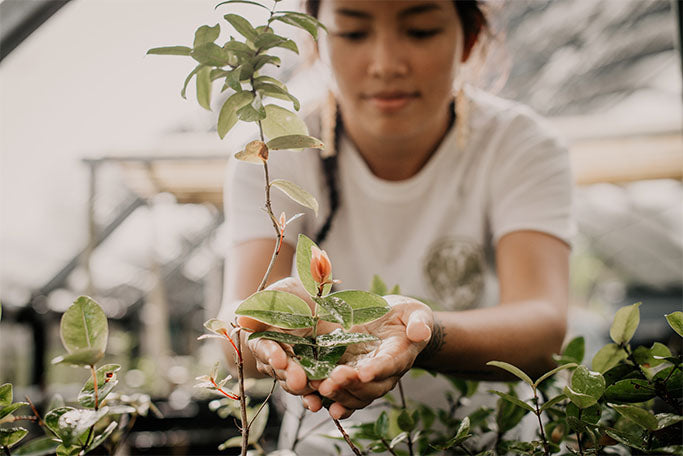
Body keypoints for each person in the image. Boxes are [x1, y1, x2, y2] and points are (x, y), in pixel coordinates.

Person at [221, 0, 573, 452]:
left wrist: (425, 335)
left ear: (466, 39)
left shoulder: (520, 146)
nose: (386, 64)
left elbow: (543, 328)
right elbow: (237, 323)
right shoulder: (274, 151)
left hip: (486, 439)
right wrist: (267, 329)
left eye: (421, 31)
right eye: (352, 33)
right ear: (316, 39)